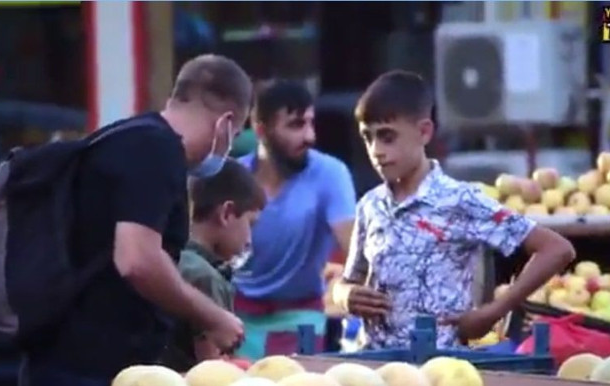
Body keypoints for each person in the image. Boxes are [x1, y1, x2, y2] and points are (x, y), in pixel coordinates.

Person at [18, 54, 252, 386]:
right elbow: (137, 260)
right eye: (235, 136)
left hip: (71, 363)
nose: (228, 147)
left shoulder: (131, 137)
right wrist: (213, 316)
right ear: (224, 124)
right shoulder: (156, 151)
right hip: (86, 373)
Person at [331, 70, 576, 349]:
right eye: (368, 138)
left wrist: (493, 311)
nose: (376, 150)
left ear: (424, 132)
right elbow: (349, 280)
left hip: (442, 371)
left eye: (387, 137)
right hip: (376, 370)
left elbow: (556, 249)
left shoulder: (460, 201)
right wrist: (345, 295)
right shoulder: (370, 206)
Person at [233, 80, 357, 360]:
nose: (310, 136)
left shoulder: (330, 173)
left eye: (311, 124)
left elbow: (355, 252)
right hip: (235, 317)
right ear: (261, 129)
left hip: (302, 314)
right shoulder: (235, 177)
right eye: (296, 125)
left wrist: (345, 286)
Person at [164, 159, 266, 371]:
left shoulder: (166, 258)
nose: (249, 239)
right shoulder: (205, 276)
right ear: (226, 213)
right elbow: (214, 371)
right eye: (251, 224)